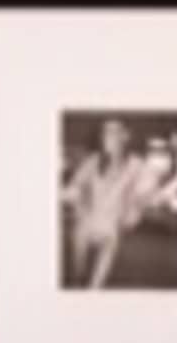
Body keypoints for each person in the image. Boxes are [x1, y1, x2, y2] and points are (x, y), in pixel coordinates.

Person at [63, 117, 153, 289]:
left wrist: (135, 209)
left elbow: (146, 193)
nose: (106, 136)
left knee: (95, 287)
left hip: (111, 231)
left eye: (113, 131)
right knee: (77, 277)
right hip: (85, 227)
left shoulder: (136, 165)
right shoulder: (93, 161)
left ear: (125, 136)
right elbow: (73, 188)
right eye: (104, 132)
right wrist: (80, 208)